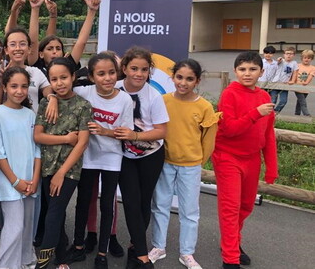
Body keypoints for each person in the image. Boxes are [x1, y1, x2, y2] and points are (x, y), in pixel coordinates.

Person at [62, 53, 133, 269]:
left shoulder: (125, 99)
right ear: (92, 77)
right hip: (87, 156)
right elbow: (61, 89)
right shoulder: (84, 92)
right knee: (83, 202)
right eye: (101, 74)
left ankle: (102, 252)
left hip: (112, 158)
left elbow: (126, 133)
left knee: (107, 205)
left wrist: (104, 131)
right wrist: (54, 99)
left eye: (111, 72)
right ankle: (79, 246)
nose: (107, 78)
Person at [148, 59, 220, 269]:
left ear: (197, 81)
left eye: (189, 79)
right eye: (179, 77)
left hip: (191, 165)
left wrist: (198, 159)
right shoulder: (162, 100)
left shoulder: (204, 106)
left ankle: (187, 253)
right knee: (160, 206)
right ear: (172, 77)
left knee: (189, 211)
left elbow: (209, 139)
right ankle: (158, 246)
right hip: (164, 162)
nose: (183, 82)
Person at [213, 51, 278, 269]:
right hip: (227, 156)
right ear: (235, 71)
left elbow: (268, 134)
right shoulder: (230, 94)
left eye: (252, 69)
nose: (247, 74)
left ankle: (232, 243)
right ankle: (230, 258)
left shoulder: (264, 97)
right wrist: (255, 113)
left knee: (245, 206)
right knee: (230, 207)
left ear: (261, 71)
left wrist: (271, 167)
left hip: (252, 159)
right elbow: (229, 129)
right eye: (242, 69)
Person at [33, 58, 91, 269]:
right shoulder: (45, 103)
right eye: (54, 79)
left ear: (73, 77)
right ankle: (62, 258)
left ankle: (43, 262)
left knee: (54, 212)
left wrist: (61, 173)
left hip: (69, 170)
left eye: (64, 77)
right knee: (54, 212)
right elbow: (38, 136)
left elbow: (82, 142)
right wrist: (65, 138)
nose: (59, 83)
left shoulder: (83, 105)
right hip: (47, 166)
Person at [114, 46, 169, 269]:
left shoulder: (154, 95)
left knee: (144, 201)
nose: (139, 74)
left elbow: (161, 131)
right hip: (123, 156)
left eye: (144, 70)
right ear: (124, 68)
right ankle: (142, 254)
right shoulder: (114, 88)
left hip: (151, 155)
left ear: (149, 72)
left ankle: (134, 248)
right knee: (130, 201)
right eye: (134, 68)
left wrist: (134, 135)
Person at [0, 67, 41, 269]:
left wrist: (34, 179)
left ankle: (26, 261)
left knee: (27, 228)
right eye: (14, 86)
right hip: (10, 184)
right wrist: (16, 182)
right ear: (5, 87)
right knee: (14, 227)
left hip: (31, 182)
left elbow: (37, 150)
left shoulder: (30, 115)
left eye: (24, 86)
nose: (19, 91)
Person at [0, 28, 55, 115]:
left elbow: (47, 89)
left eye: (22, 44)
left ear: (29, 49)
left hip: (32, 124)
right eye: (12, 44)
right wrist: (1, 84)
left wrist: (51, 97)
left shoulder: (36, 72)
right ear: (6, 50)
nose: (18, 48)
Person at [270, 46, 297, 113]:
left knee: (283, 101)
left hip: (284, 85)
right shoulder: (282, 61)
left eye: (291, 54)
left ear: (293, 55)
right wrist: (279, 60)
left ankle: (275, 112)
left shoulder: (294, 63)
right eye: (287, 53)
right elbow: (278, 62)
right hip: (275, 83)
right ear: (284, 54)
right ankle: (269, 113)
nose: (289, 55)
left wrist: (292, 80)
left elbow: (295, 73)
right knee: (273, 100)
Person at [290, 49, 315, 116]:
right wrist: (292, 81)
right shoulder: (297, 65)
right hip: (297, 86)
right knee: (302, 102)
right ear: (302, 58)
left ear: (311, 59)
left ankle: (297, 114)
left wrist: (306, 82)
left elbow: (310, 76)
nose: (306, 59)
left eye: (309, 58)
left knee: (300, 102)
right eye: (305, 58)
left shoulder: (312, 68)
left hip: (306, 88)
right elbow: (294, 74)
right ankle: (307, 115)